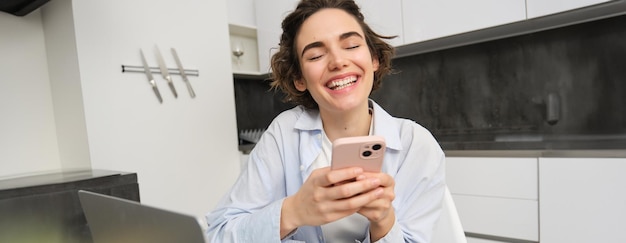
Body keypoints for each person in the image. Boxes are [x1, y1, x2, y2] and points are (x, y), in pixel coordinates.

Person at [206, 0, 446, 242]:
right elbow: (217, 234)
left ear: (374, 58)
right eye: (316, 55)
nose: (338, 62)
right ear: (299, 78)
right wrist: (295, 211)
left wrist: (384, 222)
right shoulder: (284, 133)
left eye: (351, 45)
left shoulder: (417, 146)